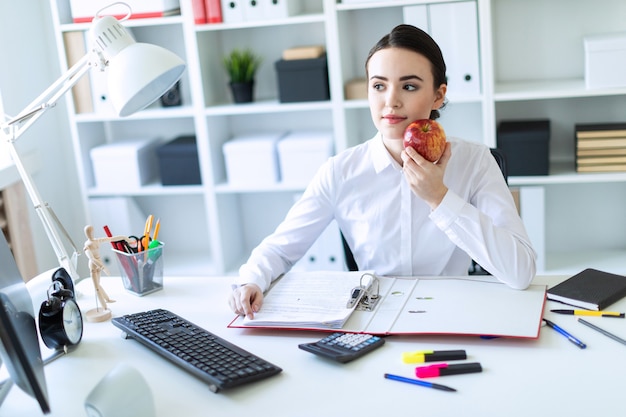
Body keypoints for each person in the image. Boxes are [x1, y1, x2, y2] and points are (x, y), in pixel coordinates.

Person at [229, 24, 537, 319]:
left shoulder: (476, 161)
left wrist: (440, 199)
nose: (391, 101)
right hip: (374, 319)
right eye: (378, 86)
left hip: (451, 313)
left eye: (409, 86)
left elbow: (521, 271)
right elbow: (281, 248)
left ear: (438, 95)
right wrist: (252, 280)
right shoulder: (340, 171)